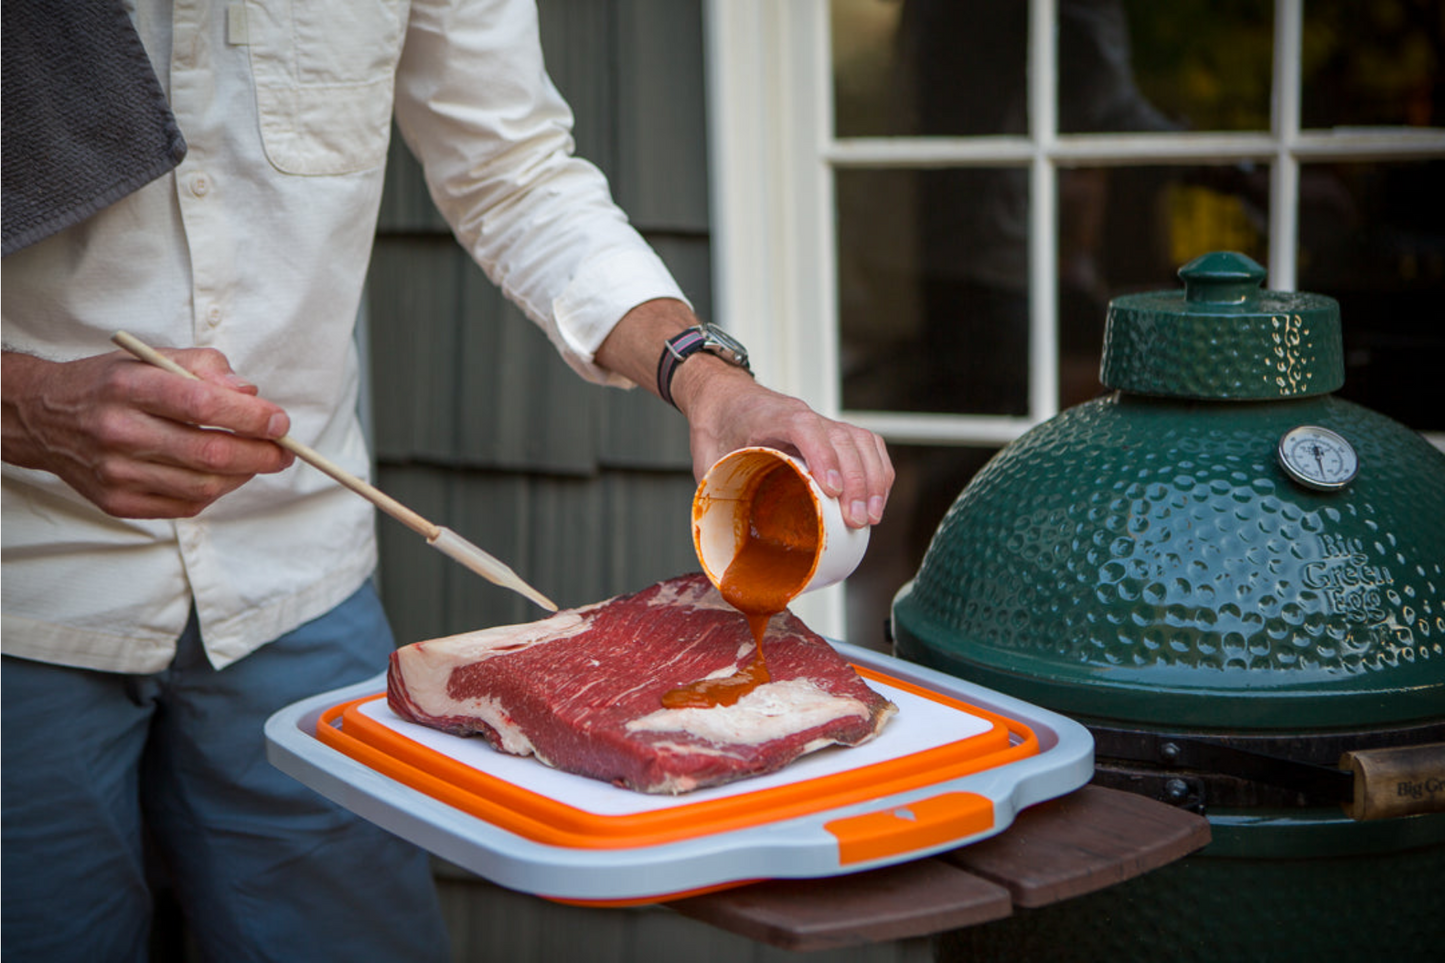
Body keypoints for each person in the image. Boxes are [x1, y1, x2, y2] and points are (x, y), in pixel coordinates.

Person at [0, 1, 894, 960]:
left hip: (297, 577)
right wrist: (24, 404)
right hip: (22, 583)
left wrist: (706, 376)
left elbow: (515, 176)